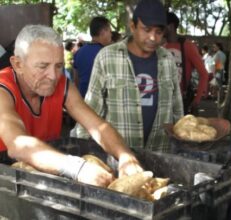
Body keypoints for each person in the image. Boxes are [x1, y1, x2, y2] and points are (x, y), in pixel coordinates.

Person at [0, 25, 143, 188]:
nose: (53, 76)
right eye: (42, 66)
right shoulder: (3, 89)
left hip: (42, 179)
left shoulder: (62, 85)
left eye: (59, 66)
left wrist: (125, 156)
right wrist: (78, 168)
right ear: (17, 64)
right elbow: (18, 146)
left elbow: (98, 126)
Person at [73, 0, 183, 152]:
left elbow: (177, 108)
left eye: (158, 32)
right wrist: (82, 149)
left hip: (159, 152)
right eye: (146, 29)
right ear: (133, 26)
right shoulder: (107, 57)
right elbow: (92, 107)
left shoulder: (167, 60)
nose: (152, 38)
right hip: (118, 154)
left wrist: (181, 144)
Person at [164, 12, 208, 114]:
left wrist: (196, 101)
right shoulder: (160, 46)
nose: (159, 29)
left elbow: (204, 74)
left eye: (162, 25)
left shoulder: (187, 46)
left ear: (170, 26)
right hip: (161, 101)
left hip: (180, 102)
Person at [73, 16, 112, 98]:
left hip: (83, 100)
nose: (111, 35)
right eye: (110, 31)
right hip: (100, 102)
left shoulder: (79, 52)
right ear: (103, 32)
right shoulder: (107, 53)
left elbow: (76, 80)